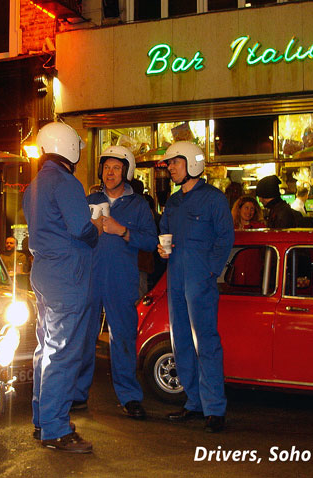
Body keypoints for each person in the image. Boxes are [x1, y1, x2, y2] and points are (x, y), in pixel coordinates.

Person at [23, 121, 101, 453]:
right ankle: (55, 429)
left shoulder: (33, 186)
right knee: (63, 352)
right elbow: (82, 229)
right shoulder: (66, 182)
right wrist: (96, 226)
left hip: (43, 272)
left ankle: (43, 419)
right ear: (69, 148)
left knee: (47, 348)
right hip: (67, 275)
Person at [157, 141, 234, 433]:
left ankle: (215, 409)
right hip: (175, 274)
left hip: (199, 277)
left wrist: (209, 272)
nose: (170, 168)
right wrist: (161, 249)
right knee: (181, 342)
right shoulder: (174, 202)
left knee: (206, 342)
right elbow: (164, 232)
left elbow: (225, 238)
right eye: (170, 164)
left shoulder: (214, 199)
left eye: (175, 162)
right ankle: (194, 403)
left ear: (192, 163)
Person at [84, 145, 158, 420]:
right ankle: (79, 394)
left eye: (116, 167)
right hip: (90, 278)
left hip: (121, 280)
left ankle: (129, 397)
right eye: (106, 167)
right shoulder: (89, 198)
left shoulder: (138, 204)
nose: (110, 172)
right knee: (84, 338)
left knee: (124, 339)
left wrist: (123, 231)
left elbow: (151, 241)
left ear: (126, 171)